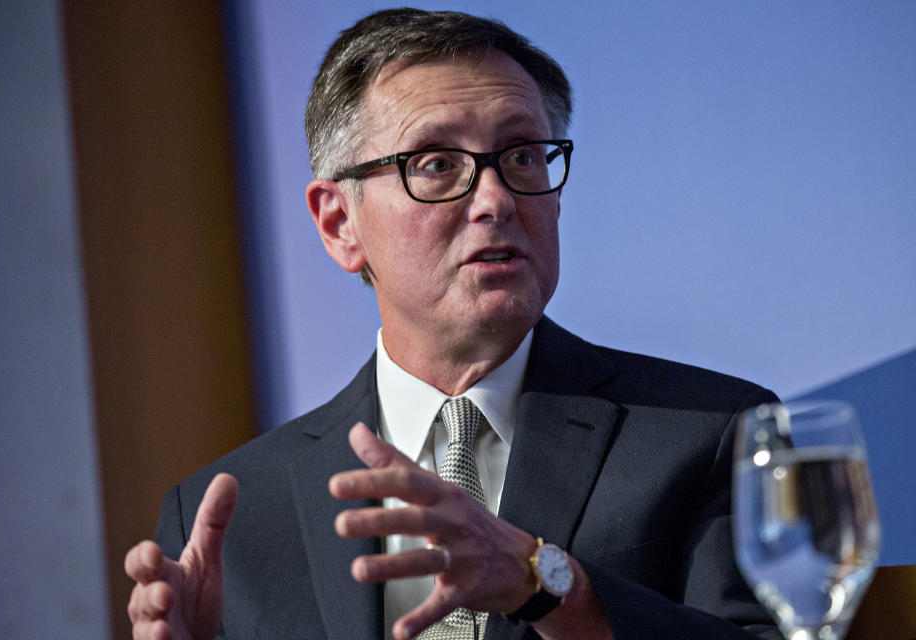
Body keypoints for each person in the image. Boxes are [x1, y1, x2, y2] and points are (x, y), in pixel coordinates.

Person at [125, 8, 783, 640]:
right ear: (338, 223)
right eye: (437, 164)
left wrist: (551, 588)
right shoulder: (232, 516)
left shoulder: (714, 434)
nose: (495, 200)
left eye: (523, 156)